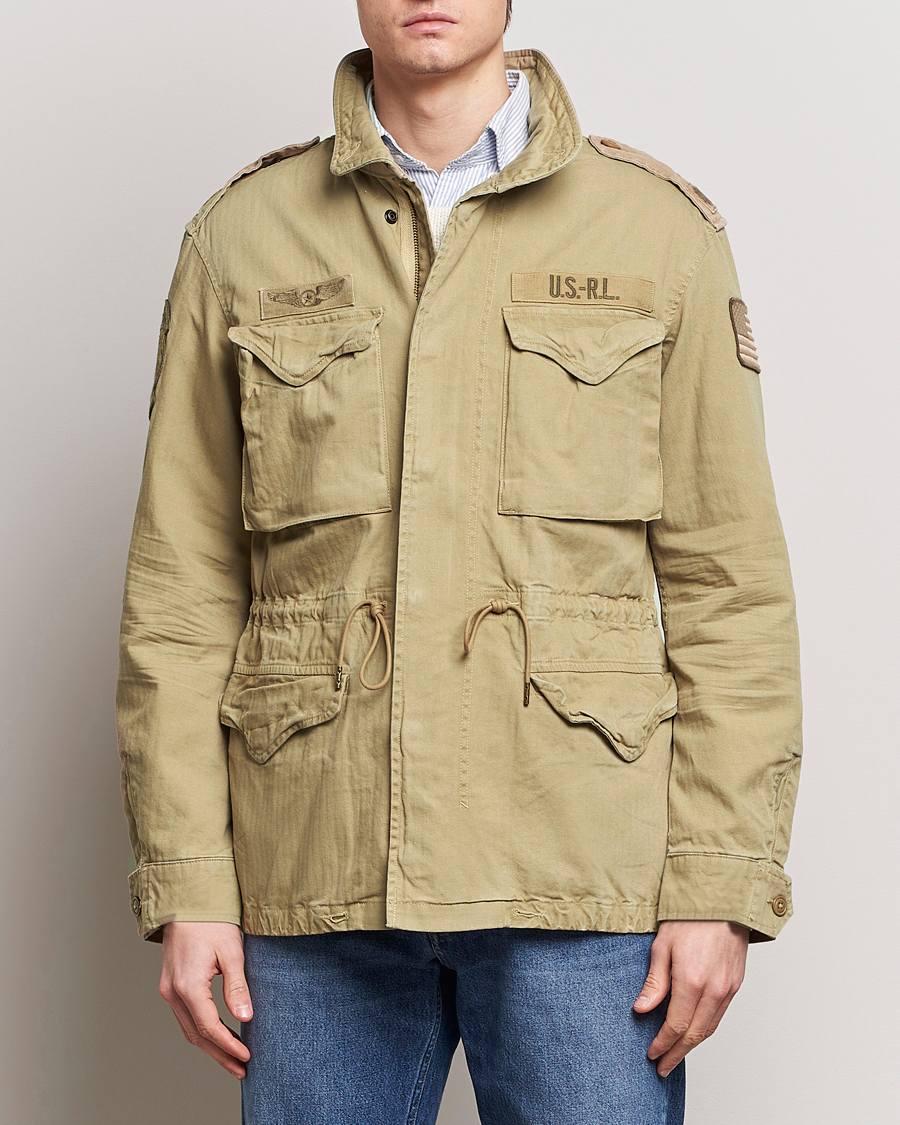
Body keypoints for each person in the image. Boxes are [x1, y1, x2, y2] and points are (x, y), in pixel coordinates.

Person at [115, 1, 803, 1121]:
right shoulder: (241, 237)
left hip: (583, 882)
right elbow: (183, 594)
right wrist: (187, 880)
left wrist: (721, 882)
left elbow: (730, 591)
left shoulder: (657, 233)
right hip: (317, 878)